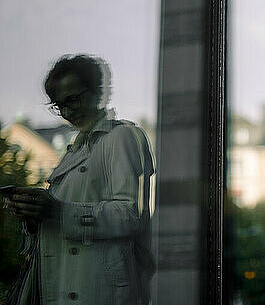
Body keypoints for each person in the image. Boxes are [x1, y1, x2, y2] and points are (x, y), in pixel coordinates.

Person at [6, 54, 155, 305]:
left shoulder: (122, 137)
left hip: (98, 291)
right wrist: (34, 213)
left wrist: (58, 211)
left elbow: (131, 214)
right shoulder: (74, 150)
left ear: (98, 92)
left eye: (72, 100)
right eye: (58, 105)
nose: (66, 112)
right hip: (70, 284)